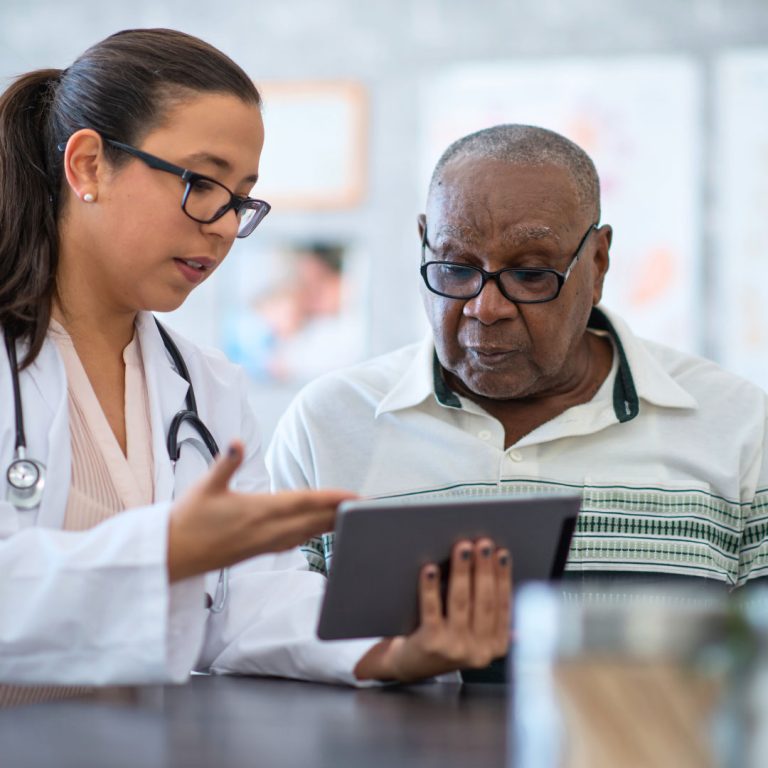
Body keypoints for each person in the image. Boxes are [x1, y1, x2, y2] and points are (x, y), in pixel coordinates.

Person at [0, 29, 511, 705]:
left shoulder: (205, 385)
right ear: (90, 165)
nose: (220, 225)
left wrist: (392, 648)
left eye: (241, 200)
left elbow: (246, 601)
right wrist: (167, 550)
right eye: (202, 183)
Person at [268, 124, 768, 588]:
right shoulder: (328, 424)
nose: (486, 309)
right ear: (423, 244)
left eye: (530, 274)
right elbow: (258, 639)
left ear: (597, 263)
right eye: (455, 268)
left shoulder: (736, 426)